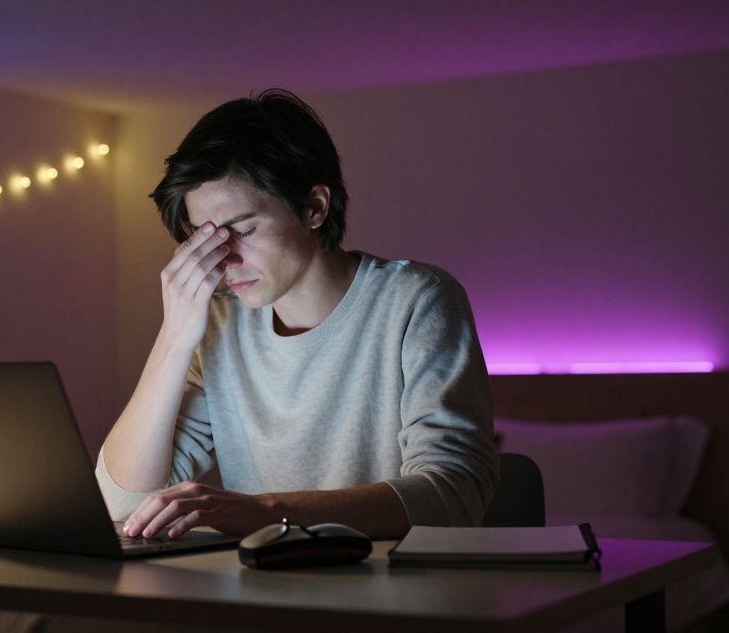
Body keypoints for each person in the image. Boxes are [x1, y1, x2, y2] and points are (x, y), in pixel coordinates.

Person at [96, 89, 498, 541]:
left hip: (393, 596)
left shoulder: (417, 300)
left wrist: (266, 512)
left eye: (243, 230)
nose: (224, 260)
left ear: (314, 207)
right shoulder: (219, 327)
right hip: (265, 593)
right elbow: (122, 504)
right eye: (206, 240)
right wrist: (173, 338)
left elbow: (453, 494)